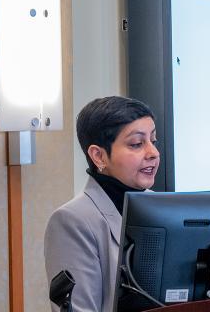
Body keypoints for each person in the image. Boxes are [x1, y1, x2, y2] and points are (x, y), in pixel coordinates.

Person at [45, 96, 160, 312]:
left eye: (153, 141)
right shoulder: (72, 220)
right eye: (137, 144)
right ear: (99, 156)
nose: (153, 153)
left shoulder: (161, 209)